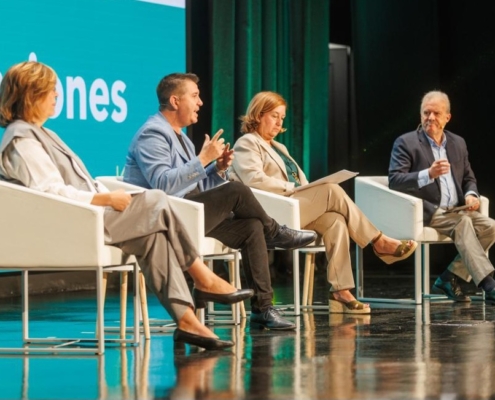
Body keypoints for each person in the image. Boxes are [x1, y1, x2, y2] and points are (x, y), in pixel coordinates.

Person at [0, 61, 255, 351]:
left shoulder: (41, 132)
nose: (57, 96)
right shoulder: (21, 139)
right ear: (32, 94)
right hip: (74, 223)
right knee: (157, 198)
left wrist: (106, 194)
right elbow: (48, 192)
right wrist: (106, 198)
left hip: (91, 215)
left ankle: (187, 322)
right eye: (51, 92)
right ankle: (202, 276)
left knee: (153, 237)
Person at [123, 73, 316, 330]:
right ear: (175, 101)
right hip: (165, 219)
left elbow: (194, 186)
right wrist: (202, 161)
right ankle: (275, 232)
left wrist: (216, 169)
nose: (200, 102)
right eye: (194, 96)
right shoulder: (153, 134)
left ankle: (264, 309)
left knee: (250, 228)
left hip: (189, 211)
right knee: (237, 191)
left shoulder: (178, 135)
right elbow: (163, 184)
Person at [230, 91, 418, 314]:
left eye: (282, 118)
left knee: (335, 220)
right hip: (272, 212)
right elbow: (254, 180)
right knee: (331, 190)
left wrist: (305, 189)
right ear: (258, 115)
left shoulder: (279, 148)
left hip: (294, 207)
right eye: (274, 116)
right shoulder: (247, 143)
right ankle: (378, 241)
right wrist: (295, 189)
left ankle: (341, 291)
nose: (279, 123)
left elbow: (301, 181)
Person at [389, 90, 495, 302]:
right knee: (463, 223)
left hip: (456, 209)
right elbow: (395, 180)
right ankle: (488, 284)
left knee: (490, 227)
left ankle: (448, 277)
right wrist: (428, 174)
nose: (430, 118)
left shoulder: (458, 143)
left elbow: (468, 178)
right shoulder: (406, 142)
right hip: (428, 210)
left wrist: (471, 195)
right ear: (420, 115)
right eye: (426, 112)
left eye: (436, 113)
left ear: (447, 117)